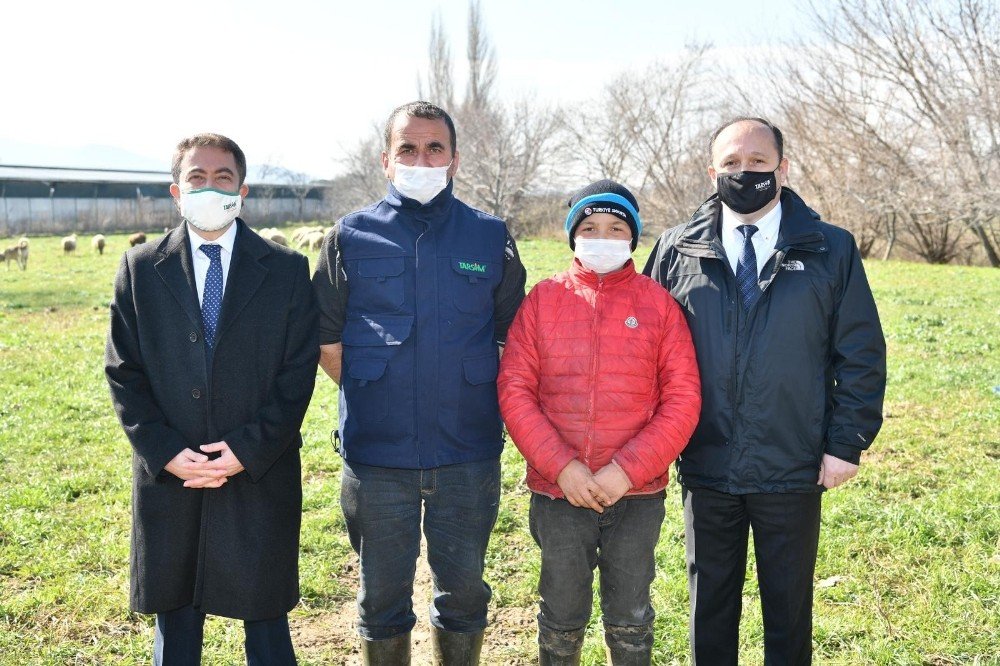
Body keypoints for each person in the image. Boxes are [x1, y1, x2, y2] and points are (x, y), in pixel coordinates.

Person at [643, 117, 887, 665]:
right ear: (712, 171)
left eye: (757, 162)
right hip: (706, 464)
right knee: (709, 610)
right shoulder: (675, 251)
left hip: (794, 463)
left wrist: (846, 442)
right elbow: (646, 355)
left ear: (782, 167)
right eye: (731, 163)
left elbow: (861, 352)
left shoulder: (831, 248)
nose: (744, 172)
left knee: (788, 612)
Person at [312, 101, 526, 665]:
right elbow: (326, 341)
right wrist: (378, 394)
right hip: (378, 458)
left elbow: (513, 339)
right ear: (387, 160)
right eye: (408, 148)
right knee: (381, 598)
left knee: (464, 593)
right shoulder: (349, 237)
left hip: (467, 456)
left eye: (435, 148)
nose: (421, 158)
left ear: (454, 160)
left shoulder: (490, 237)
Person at [105, 133, 319, 665]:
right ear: (176, 192)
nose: (209, 186)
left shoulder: (286, 270)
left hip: (257, 472)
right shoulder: (140, 269)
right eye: (195, 177)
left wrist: (248, 449)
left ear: (241, 190)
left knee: (266, 624)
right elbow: (123, 373)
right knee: (175, 626)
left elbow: (296, 377)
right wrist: (165, 451)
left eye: (222, 177)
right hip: (172, 476)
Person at [497, 180, 702, 665]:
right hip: (558, 493)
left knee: (630, 614)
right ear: (573, 236)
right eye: (590, 228)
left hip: (636, 495)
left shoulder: (659, 306)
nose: (602, 237)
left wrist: (626, 470)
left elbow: (683, 399)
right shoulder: (542, 301)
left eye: (615, 228)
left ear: (632, 237)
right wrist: (562, 467)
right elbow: (515, 391)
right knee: (561, 614)